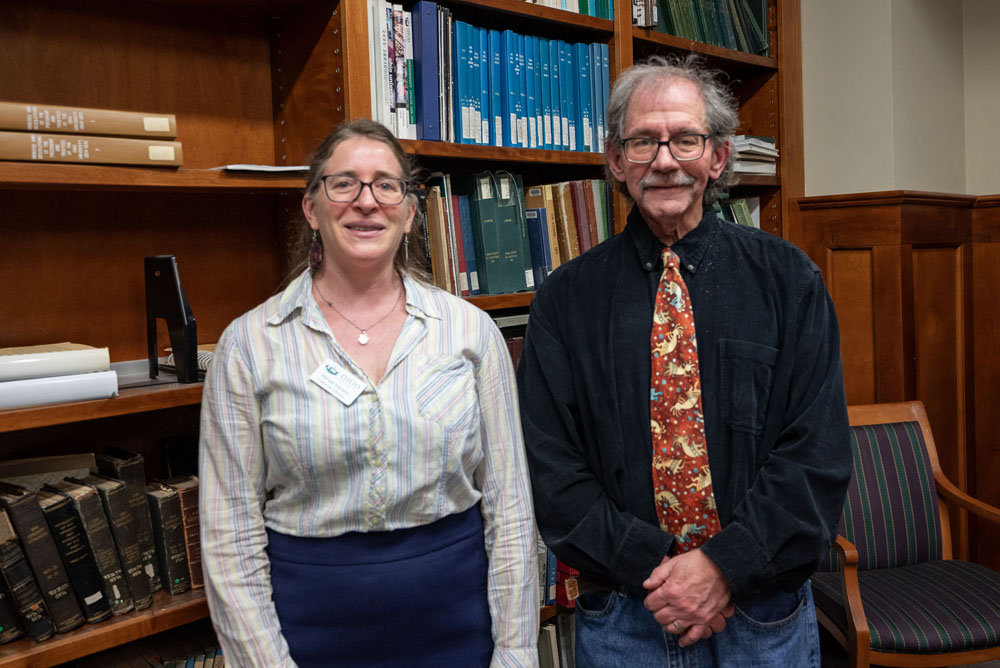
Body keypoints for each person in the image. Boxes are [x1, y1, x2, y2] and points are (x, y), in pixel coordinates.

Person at [516, 54, 852, 667]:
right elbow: (551, 468)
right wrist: (661, 569)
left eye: (685, 140)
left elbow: (816, 453)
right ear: (617, 161)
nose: (665, 161)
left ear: (718, 157)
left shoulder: (789, 281)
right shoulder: (564, 301)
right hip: (627, 614)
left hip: (763, 613)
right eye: (643, 141)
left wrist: (724, 567)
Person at [199, 119, 538, 668]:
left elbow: (512, 508)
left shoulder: (470, 333)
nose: (366, 201)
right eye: (343, 183)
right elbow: (229, 532)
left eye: (386, 185)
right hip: (305, 634)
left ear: (408, 212)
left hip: (457, 628)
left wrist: (518, 653)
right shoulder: (249, 346)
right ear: (312, 209)